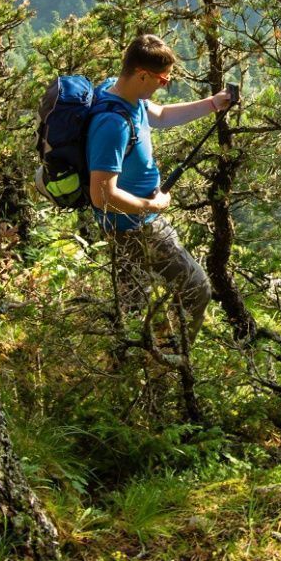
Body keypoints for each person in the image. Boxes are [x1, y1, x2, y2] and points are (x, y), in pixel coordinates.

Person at [87, 34, 232, 339]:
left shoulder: (127, 96)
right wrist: (151, 206)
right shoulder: (112, 125)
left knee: (132, 302)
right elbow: (102, 196)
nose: (164, 85)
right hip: (134, 226)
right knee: (197, 289)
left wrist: (213, 104)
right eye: (163, 80)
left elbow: (163, 115)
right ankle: (169, 359)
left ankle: (134, 358)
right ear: (141, 75)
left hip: (135, 221)